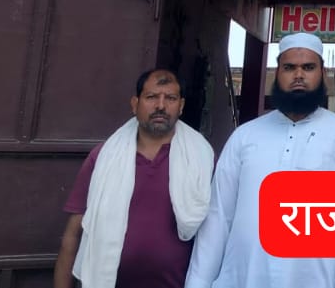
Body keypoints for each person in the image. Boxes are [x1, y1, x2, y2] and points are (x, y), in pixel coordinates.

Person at [184, 32, 335, 288]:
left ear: (323, 73)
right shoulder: (245, 136)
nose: (298, 75)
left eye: (308, 67)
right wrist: (198, 282)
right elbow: (218, 218)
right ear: (277, 72)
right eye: (289, 67)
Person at [54, 68, 215, 288]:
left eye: (170, 98)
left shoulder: (202, 159)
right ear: (135, 103)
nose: (160, 106)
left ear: (181, 106)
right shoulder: (104, 157)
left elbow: (217, 233)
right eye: (151, 97)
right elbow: (73, 234)